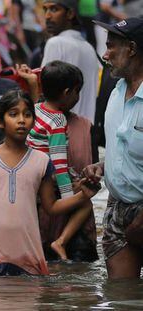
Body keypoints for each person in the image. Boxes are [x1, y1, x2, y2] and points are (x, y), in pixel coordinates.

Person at [0, 89, 99, 276]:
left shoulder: (41, 161)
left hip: (28, 254)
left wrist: (83, 196)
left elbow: (51, 207)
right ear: (0, 122)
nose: (21, 120)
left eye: (27, 115)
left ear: (34, 122)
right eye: (13, 114)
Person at [84, 17, 143, 279]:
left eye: (111, 47)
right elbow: (127, 147)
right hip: (118, 209)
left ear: (131, 49)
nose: (105, 54)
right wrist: (104, 166)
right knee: (121, 296)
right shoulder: (116, 91)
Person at [27, 60, 96, 260]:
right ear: (67, 93)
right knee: (85, 203)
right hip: (49, 179)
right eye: (77, 92)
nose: (78, 97)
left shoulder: (36, 108)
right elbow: (58, 163)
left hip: (33, 176)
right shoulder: (58, 121)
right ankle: (61, 241)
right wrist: (68, 198)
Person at [41, 0, 99, 124]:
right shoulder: (89, 48)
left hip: (59, 132)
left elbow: (45, 94)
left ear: (70, 13)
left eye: (54, 9)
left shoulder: (55, 43)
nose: (47, 16)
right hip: (85, 132)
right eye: (45, 10)